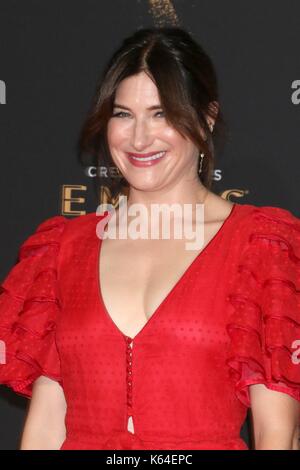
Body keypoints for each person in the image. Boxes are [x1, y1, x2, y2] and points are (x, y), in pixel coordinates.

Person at [0, 26, 300, 451]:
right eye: (123, 114)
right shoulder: (65, 249)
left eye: (161, 113)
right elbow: (47, 425)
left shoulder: (258, 247)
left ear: (206, 117)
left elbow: (277, 434)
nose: (139, 138)